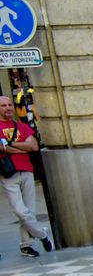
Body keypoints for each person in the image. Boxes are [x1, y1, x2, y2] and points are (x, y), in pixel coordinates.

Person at [0, 94, 50, 256]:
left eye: (9, 105)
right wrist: (23, 148)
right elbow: (3, 149)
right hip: (8, 173)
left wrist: (11, 144)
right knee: (21, 211)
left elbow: (34, 146)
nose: (8, 108)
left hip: (27, 171)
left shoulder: (21, 125)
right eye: (3, 106)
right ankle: (42, 234)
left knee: (29, 210)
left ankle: (26, 245)